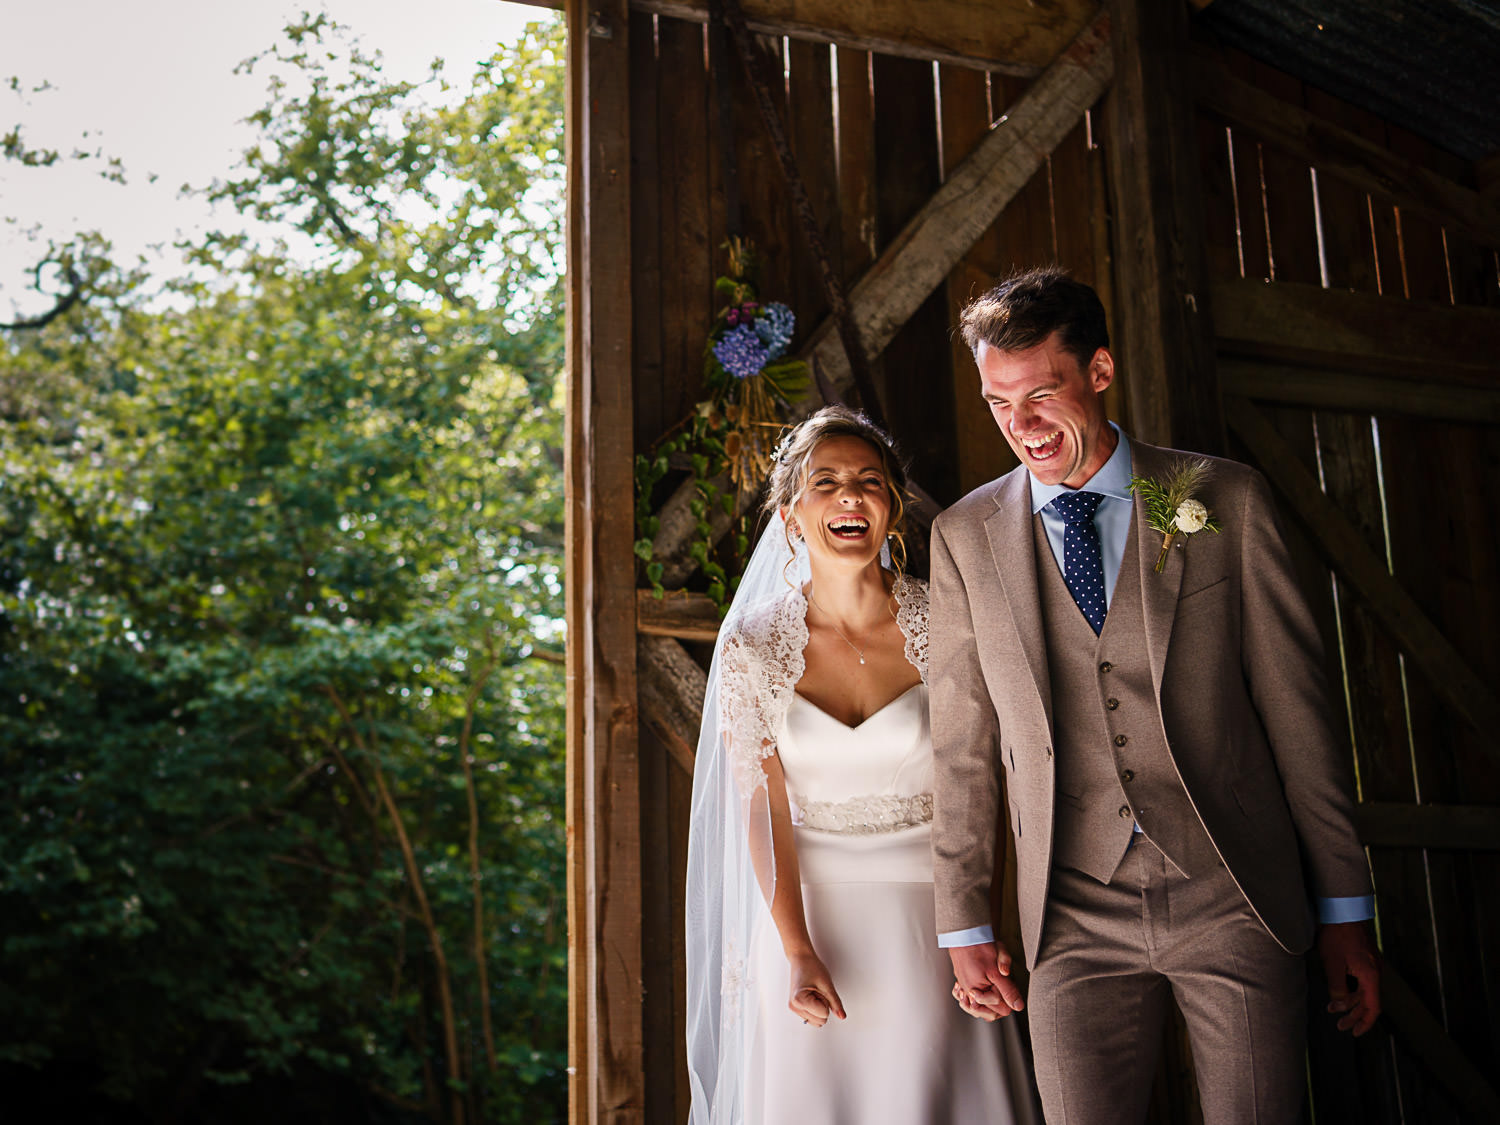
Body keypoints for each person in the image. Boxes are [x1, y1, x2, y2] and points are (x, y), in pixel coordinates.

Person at [928, 267, 1382, 1124]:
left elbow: (1301, 719)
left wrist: (1347, 908)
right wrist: (963, 923)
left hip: (1230, 890)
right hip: (1069, 909)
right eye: (997, 402)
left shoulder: (1227, 501)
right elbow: (960, 747)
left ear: (1099, 371)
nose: (1020, 425)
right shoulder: (961, 539)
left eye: (1041, 393)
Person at [686, 405, 1040, 1125]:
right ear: (790, 515)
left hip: (932, 925)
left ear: (892, 508)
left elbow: (983, 786)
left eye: (869, 481)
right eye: (827, 482)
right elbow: (763, 807)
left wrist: (976, 923)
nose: (851, 495)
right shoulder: (750, 647)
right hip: (809, 923)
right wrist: (795, 949)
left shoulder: (946, 623)